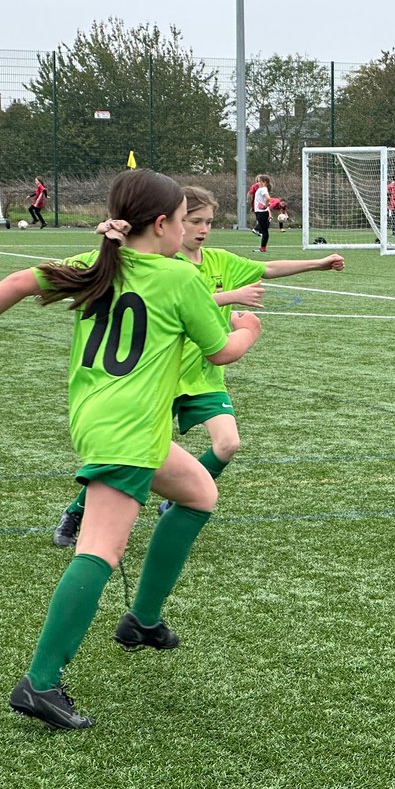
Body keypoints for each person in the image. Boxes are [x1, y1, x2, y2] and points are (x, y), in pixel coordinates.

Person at [0, 169, 261, 729]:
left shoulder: (101, 261)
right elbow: (222, 352)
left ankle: (143, 621)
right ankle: (42, 681)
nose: (189, 231)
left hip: (108, 419)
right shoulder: (179, 280)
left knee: (199, 492)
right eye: (184, 220)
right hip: (127, 430)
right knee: (100, 548)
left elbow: (15, 283)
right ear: (162, 224)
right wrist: (249, 328)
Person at [52, 185, 345, 545]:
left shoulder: (219, 260)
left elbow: (267, 268)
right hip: (162, 377)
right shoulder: (162, 263)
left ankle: (180, 501)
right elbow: (182, 300)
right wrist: (231, 297)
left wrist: (318, 263)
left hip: (205, 377)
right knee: (128, 459)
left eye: (207, 221)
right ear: (171, 222)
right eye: (193, 221)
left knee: (229, 444)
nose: (202, 229)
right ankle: (76, 513)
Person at [252, 174, 272, 252]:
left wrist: (265, 206)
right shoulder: (261, 189)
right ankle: (263, 248)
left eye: (259, 181)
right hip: (260, 212)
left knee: (264, 231)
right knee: (263, 230)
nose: (257, 183)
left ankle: (263, 248)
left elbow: (268, 198)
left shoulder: (263, 188)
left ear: (264, 182)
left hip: (262, 213)